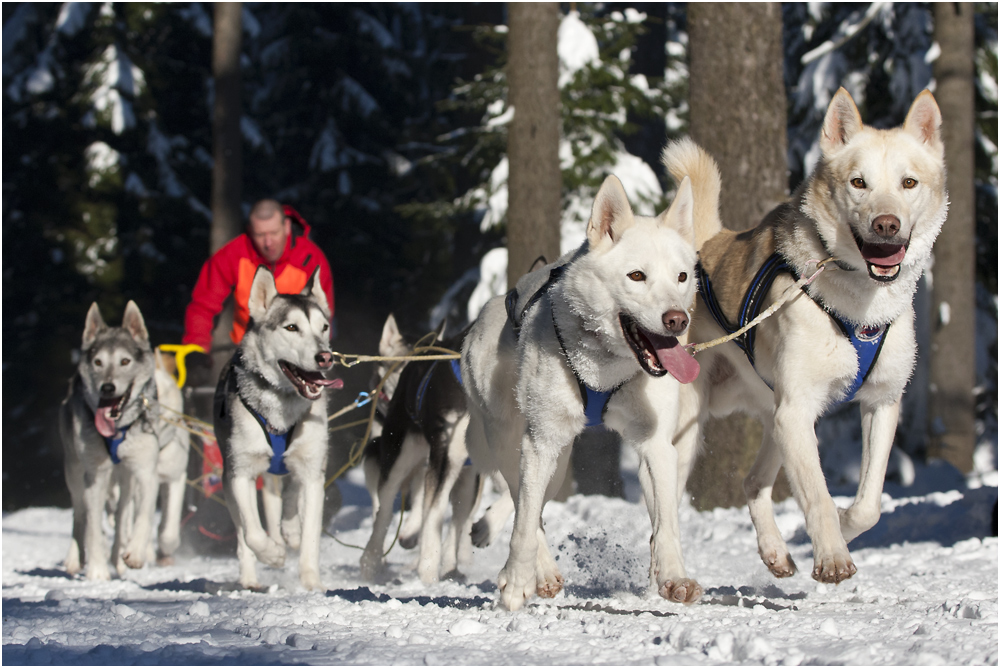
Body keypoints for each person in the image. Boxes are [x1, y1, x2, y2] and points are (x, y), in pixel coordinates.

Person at [182, 199, 335, 352]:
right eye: (260, 234)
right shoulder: (233, 256)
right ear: (250, 231)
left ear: (287, 226)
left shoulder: (310, 259)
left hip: (300, 351)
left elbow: (323, 314)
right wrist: (195, 348)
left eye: (274, 233)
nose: (268, 242)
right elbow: (203, 306)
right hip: (246, 352)